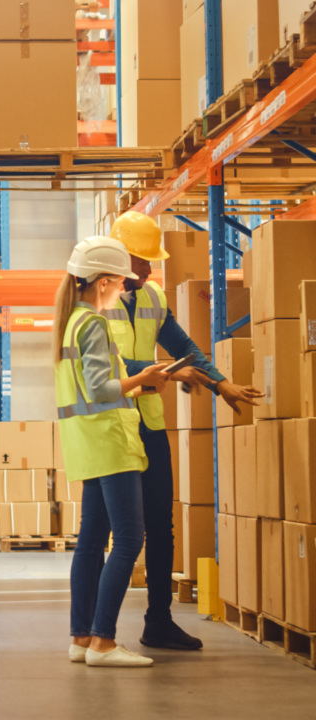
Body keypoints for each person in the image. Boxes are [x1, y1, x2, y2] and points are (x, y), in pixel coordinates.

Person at [107, 212, 263, 651]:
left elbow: (186, 349)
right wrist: (171, 373)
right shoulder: (98, 300)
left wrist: (221, 383)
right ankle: (97, 633)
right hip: (111, 426)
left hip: (149, 425)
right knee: (113, 533)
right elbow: (109, 368)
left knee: (162, 526)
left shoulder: (152, 296)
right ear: (122, 257)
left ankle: (158, 621)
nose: (149, 270)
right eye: (142, 261)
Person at [55, 235, 171, 667]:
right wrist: (145, 379)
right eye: (121, 281)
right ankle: (104, 642)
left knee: (89, 543)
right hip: (111, 439)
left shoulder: (70, 322)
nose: (126, 288)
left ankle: (81, 638)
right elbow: (103, 388)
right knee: (128, 539)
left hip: (86, 441)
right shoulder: (95, 324)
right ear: (103, 281)